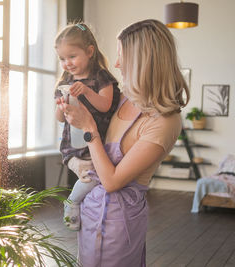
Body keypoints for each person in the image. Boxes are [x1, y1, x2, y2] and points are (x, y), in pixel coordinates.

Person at [59, 19, 190, 266]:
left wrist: (89, 127)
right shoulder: (124, 98)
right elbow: (89, 146)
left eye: (122, 56)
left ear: (144, 61)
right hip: (91, 210)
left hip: (119, 224)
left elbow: (111, 182)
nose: (116, 64)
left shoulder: (164, 122)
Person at [54, 23, 121, 231]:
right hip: (73, 147)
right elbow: (60, 119)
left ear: (90, 52)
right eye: (62, 59)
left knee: (94, 179)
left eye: (72, 57)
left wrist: (86, 92)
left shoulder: (101, 77)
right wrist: (62, 106)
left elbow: (106, 105)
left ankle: (77, 204)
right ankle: (73, 202)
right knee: (92, 176)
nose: (67, 64)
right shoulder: (65, 80)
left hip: (93, 144)